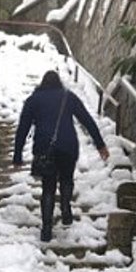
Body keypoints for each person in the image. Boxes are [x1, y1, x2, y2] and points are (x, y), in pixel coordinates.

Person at [13, 70, 109, 242]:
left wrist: (18, 155)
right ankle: (65, 207)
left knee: (48, 187)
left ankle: (47, 229)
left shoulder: (33, 100)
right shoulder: (68, 97)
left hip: (44, 148)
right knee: (66, 179)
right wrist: (100, 144)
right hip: (68, 146)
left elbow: (23, 127)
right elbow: (87, 120)